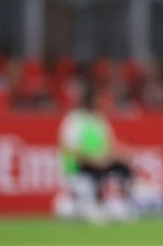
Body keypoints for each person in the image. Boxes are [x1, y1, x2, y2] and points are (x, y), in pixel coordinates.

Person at [57, 87, 134, 223]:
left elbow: (111, 145)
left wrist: (122, 155)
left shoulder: (99, 120)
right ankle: (77, 203)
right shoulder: (75, 120)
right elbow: (69, 148)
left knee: (122, 169)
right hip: (79, 170)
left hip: (99, 169)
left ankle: (114, 201)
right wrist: (93, 159)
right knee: (72, 209)